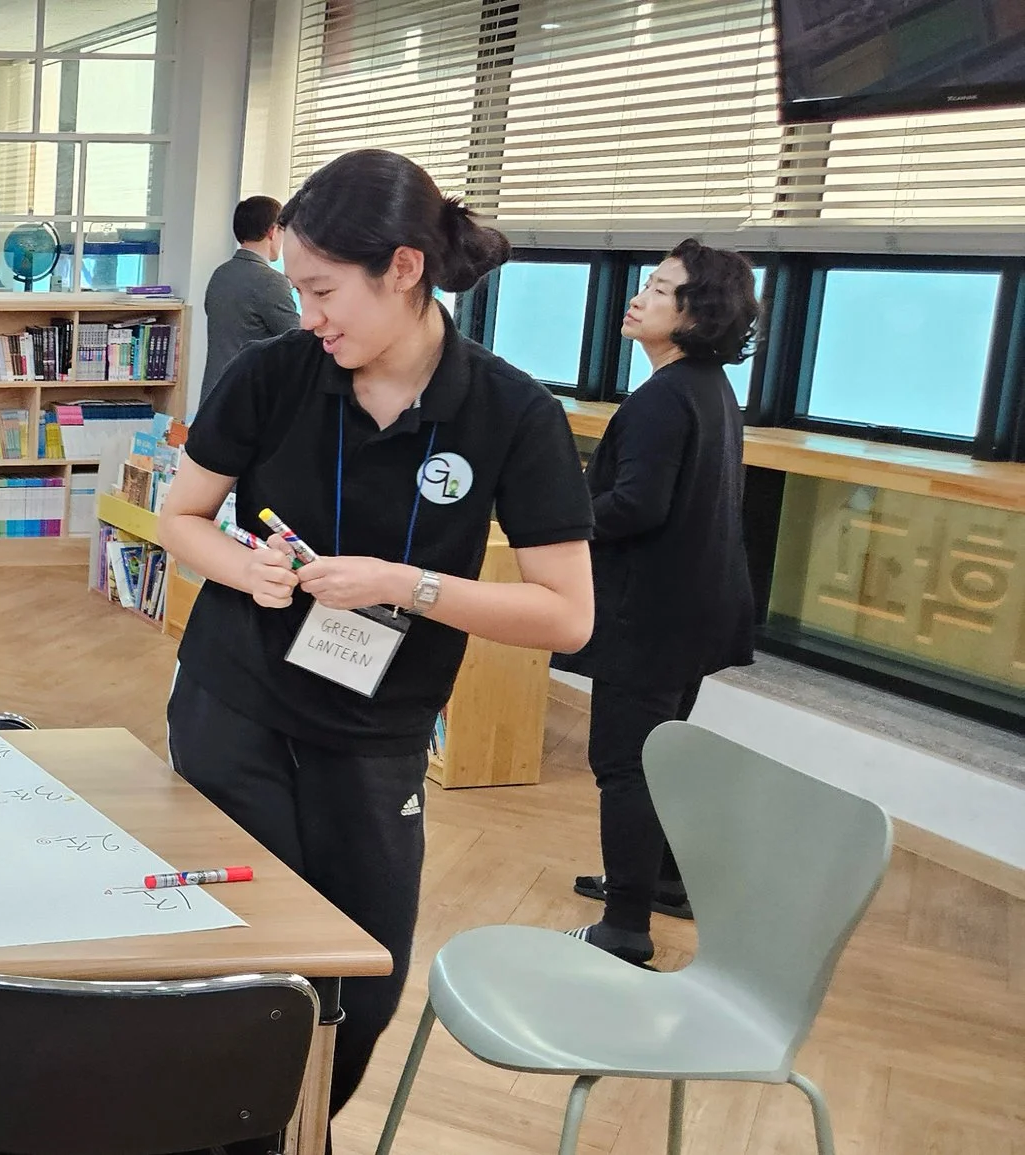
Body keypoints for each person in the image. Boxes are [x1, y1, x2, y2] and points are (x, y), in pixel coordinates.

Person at [155, 149, 596, 1140]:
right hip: (237, 701)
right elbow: (183, 516)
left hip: (376, 728)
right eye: (296, 291)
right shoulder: (278, 376)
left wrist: (408, 586)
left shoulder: (511, 412)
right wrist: (244, 569)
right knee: (237, 957)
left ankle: (274, 1128)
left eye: (320, 290)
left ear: (402, 269)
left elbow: (566, 616)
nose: (307, 316)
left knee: (366, 973)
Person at [562, 239, 759, 966]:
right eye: (644, 283)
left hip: (652, 616)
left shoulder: (662, 398)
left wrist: (564, 519)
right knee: (662, 755)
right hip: (701, 610)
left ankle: (625, 924)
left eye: (659, 288)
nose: (638, 297)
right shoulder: (707, 386)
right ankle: (662, 881)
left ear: (695, 313)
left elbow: (637, 506)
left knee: (624, 765)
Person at [201, 194, 302, 391]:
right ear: (273, 231)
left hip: (214, 394)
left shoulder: (220, 274)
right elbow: (297, 340)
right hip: (246, 396)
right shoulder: (270, 281)